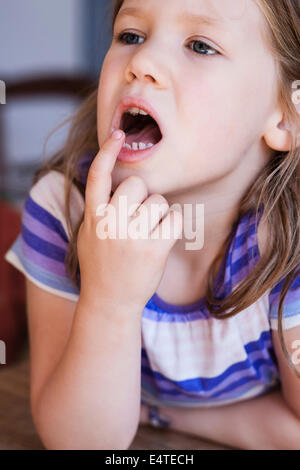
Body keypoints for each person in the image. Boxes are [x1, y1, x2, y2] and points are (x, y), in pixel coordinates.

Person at [4, 0, 300, 450]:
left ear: (285, 117)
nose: (141, 63)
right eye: (131, 36)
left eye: (200, 46)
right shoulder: (64, 212)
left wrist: (162, 415)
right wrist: (110, 300)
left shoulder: (288, 239)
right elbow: (78, 441)